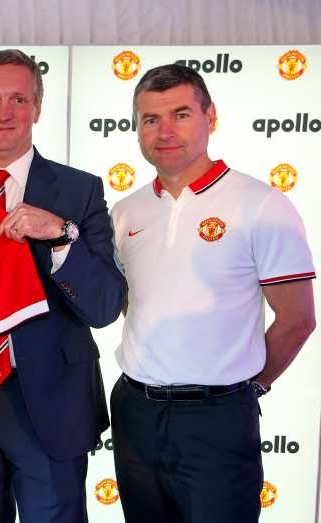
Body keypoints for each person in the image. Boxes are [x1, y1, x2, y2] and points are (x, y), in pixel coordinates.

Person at [110, 63, 316, 522]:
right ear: (137, 130)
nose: (165, 130)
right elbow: (131, 303)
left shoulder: (261, 204)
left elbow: (298, 319)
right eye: (150, 119)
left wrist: (246, 389)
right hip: (135, 413)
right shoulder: (125, 211)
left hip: (217, 419)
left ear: (211, 117)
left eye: (180, 114)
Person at [0, 49, 126, 523]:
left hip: (51, 405)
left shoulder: (79, 191)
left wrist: (61, 235)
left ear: (38, 107)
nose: (4, 112)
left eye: (18, 99)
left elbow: (104, 306)